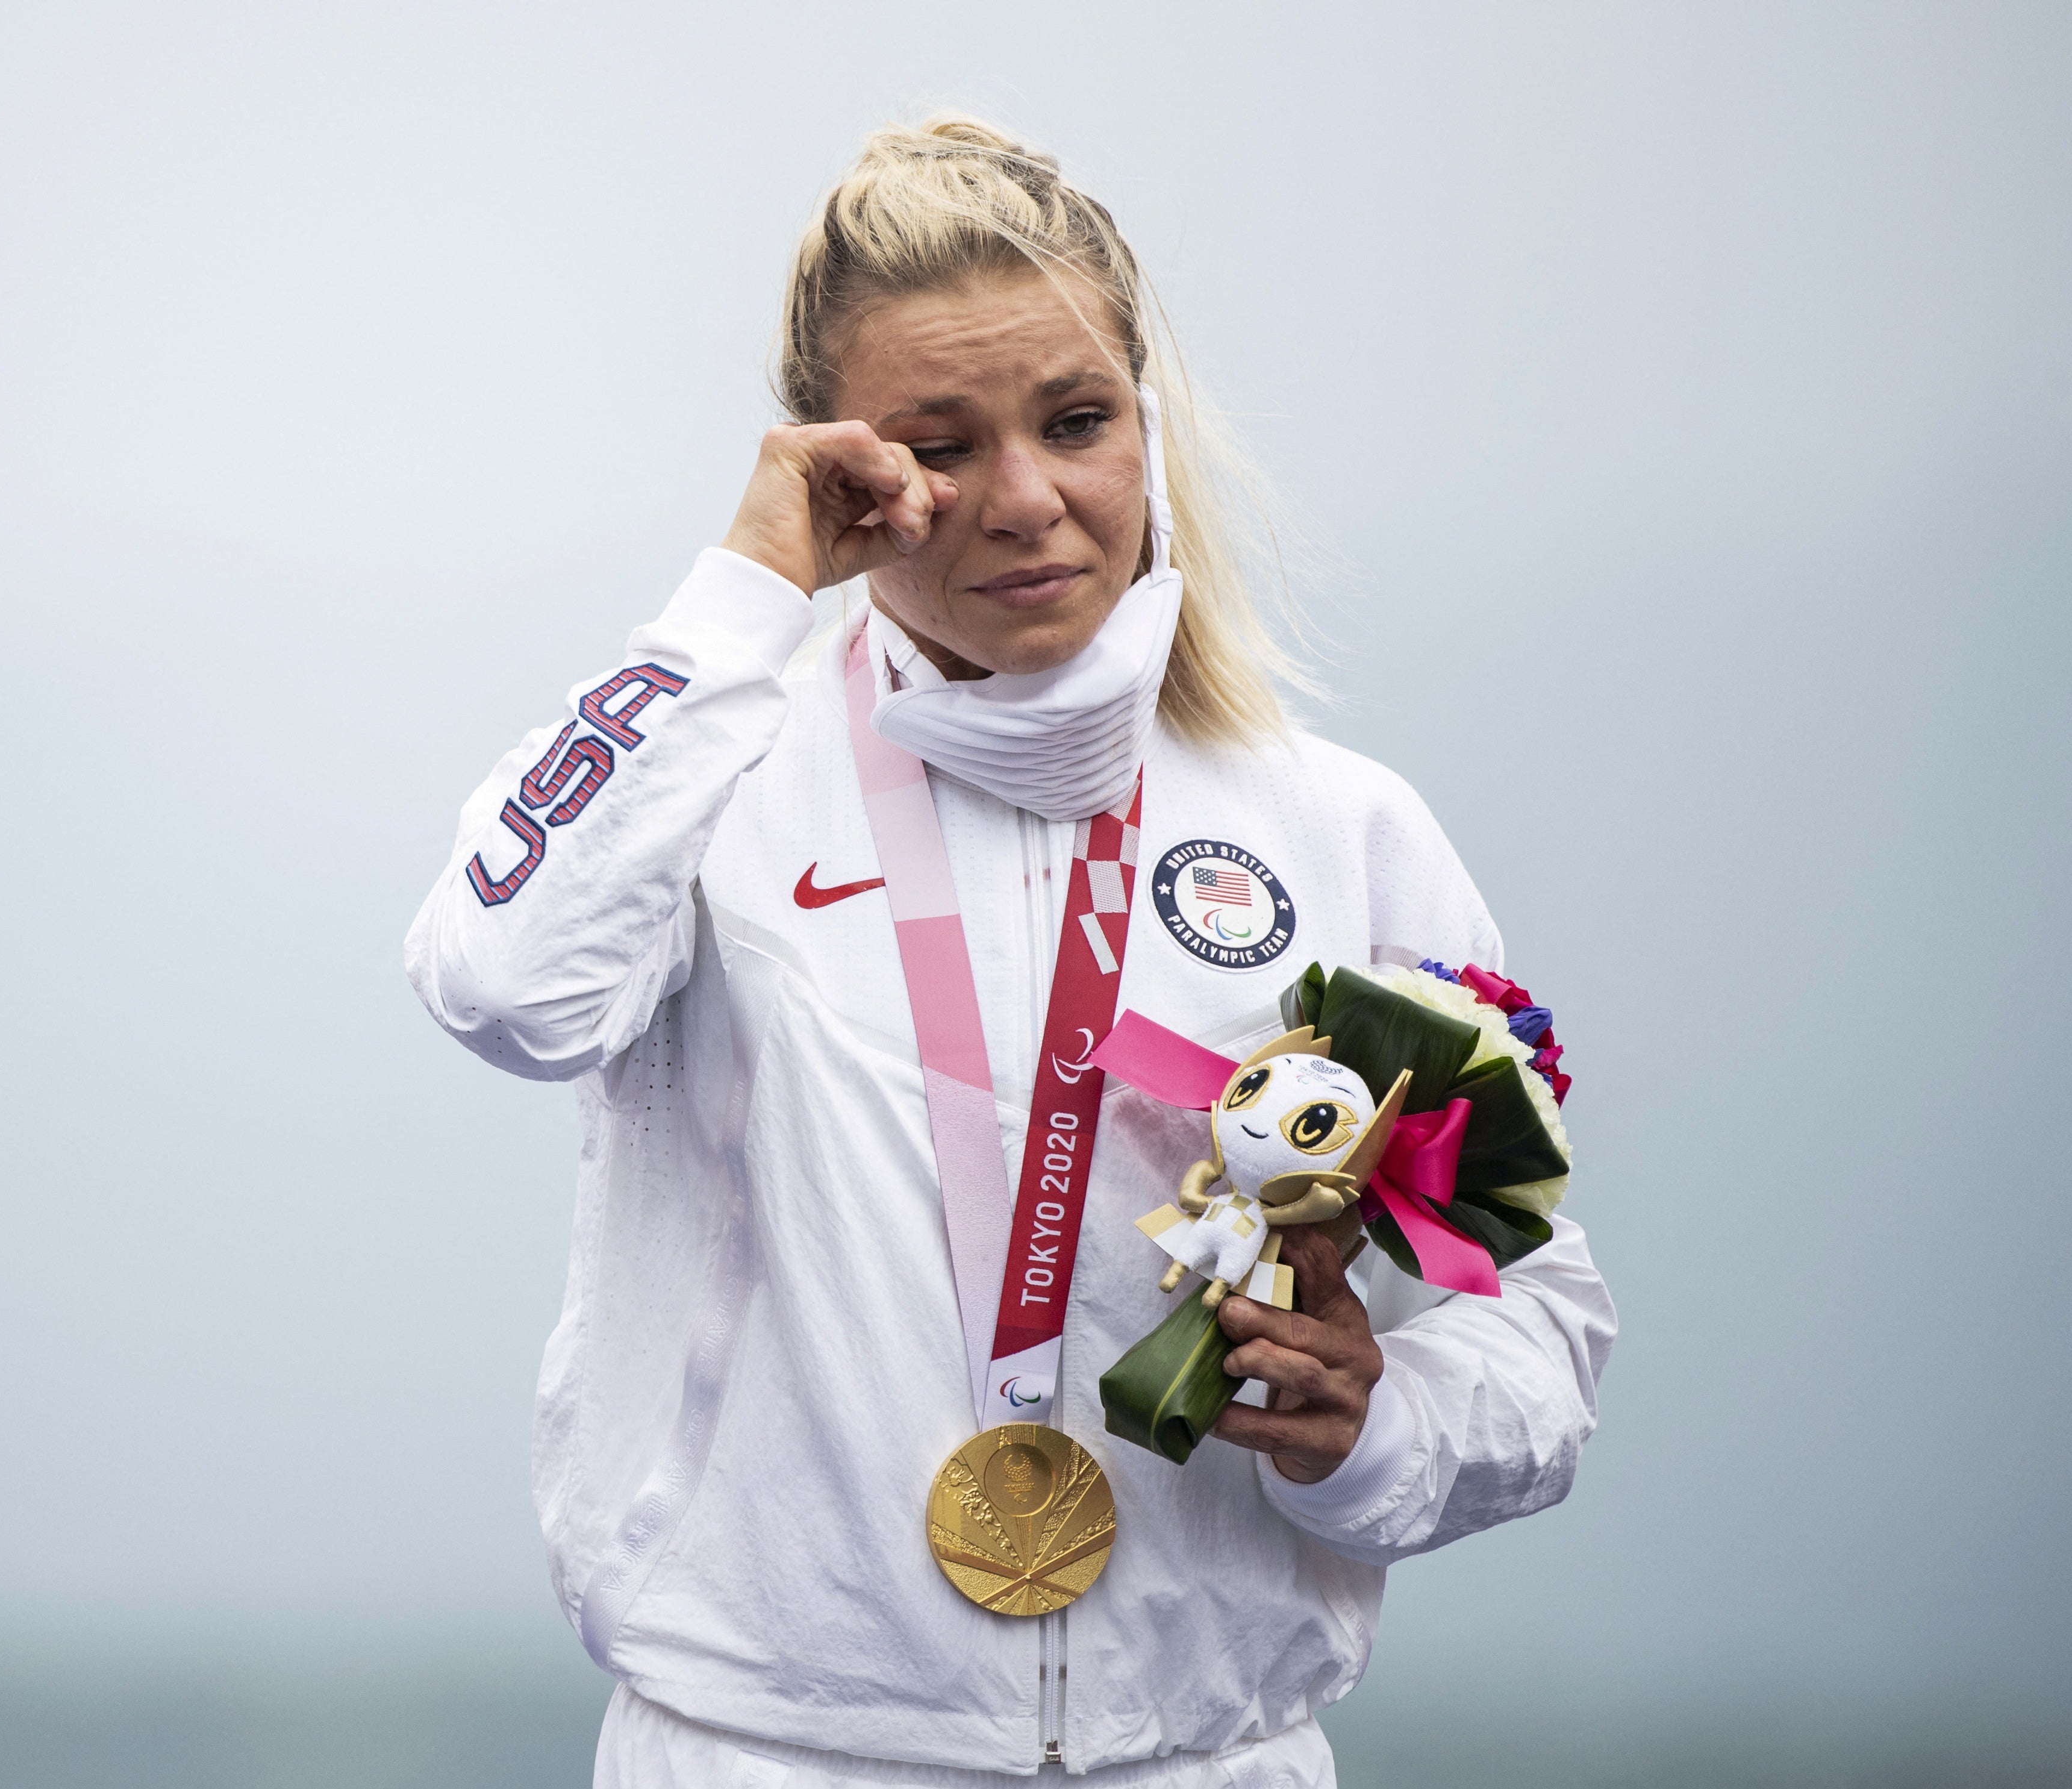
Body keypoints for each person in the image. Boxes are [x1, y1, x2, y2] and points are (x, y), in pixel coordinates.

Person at [405, 114, 1615, 1787]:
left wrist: (1376, 1425)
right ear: (841, 467)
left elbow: (1538, 1321)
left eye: (1076, 420)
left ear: (1149, 423)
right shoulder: (719, 794)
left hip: (1213, 1753)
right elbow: (495, 974)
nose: (1026, 499)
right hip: (774, 1751)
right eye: (940, 444)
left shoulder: (1339, 831)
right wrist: (748, 593)